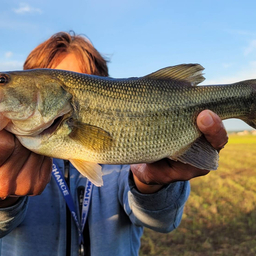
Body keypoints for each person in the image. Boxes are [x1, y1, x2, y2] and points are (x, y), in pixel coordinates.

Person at [0, 32, 228, 256]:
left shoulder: (122, 163)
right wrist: (5, 198)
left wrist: (152, 183)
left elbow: (162, 221)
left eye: (85, 82)